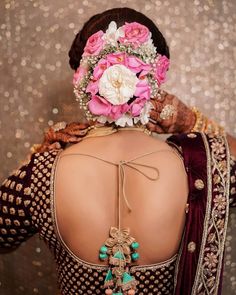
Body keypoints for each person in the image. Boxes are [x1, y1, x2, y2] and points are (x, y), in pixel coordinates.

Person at [0, 7, 235, 295]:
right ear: (154, 78)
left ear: (82, 79)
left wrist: (38, 154)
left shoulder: (41, 174)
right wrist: (192, 122)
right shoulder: (201, 168)